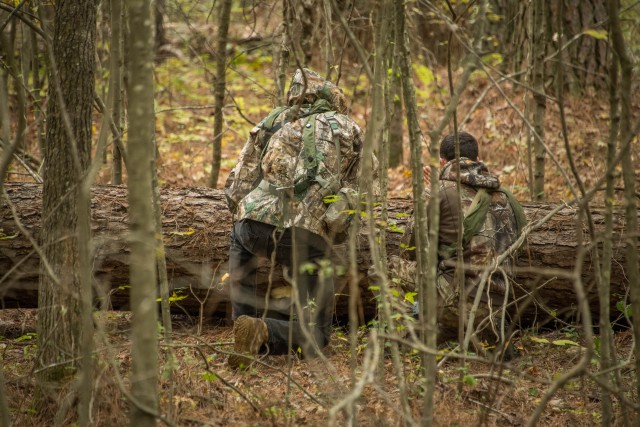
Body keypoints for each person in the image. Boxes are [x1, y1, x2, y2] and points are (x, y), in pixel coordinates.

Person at [224, 68, 365, 369]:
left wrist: (245, 213)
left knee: (238, 236)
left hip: (254, 226)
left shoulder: (272, 120)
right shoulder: (349, 128)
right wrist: (334, 231)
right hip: (307, 238)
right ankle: (261, 332)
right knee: (316, 336)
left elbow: (236, 186)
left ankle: (243, 322)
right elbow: (361, 192)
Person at [388, 131, 526, 353]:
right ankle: (487, 330)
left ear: (442, 162)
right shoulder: (505, 197)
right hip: (499, 301)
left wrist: (430, 191)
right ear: (478, 160)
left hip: (459, 298)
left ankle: (403, 335)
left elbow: (411, 247)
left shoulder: (440, 191)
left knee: (386, 268)